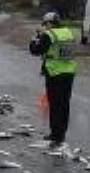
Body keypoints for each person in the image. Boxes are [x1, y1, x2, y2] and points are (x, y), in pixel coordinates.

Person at [29, 11, 78, 149]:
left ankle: (56, 135)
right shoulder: (68, 32)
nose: (45, 27)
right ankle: (61, 133)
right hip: (69, 72)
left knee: (55, 104)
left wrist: (34, 39)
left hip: (55, 73)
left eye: (45, 24)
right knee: (64, 104)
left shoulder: (49, 35)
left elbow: (35, 51)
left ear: (50, 23)